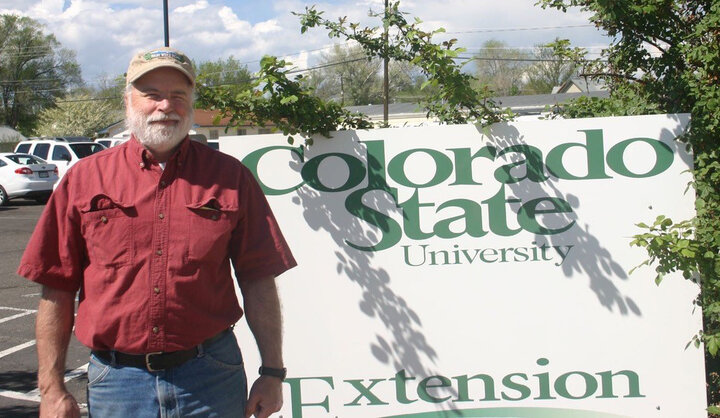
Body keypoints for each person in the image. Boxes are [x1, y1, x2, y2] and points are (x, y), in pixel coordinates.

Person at [17, 47, 296, 418]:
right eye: (153, 94)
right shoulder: (84, 179)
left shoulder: (230, 178)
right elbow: (57, 286)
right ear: (128, 99)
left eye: (178, 95)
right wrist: (51, 387)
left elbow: (259, 278)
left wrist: (272, 372)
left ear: (191, 103)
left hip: (211, 376)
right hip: (118, 382)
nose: (166, 105)